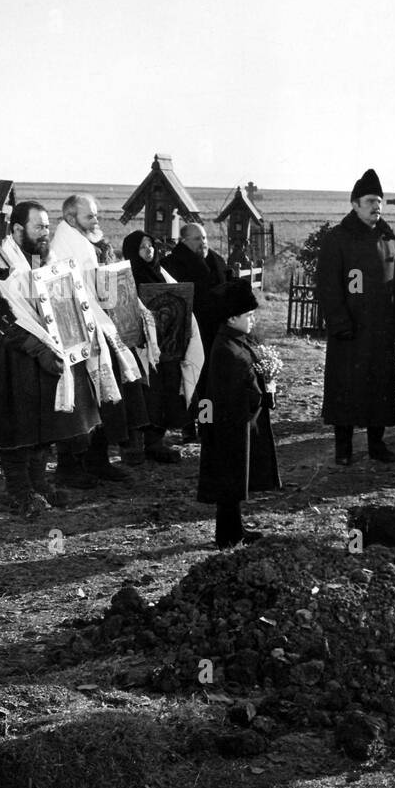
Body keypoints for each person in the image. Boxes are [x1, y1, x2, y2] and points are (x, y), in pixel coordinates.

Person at [0, 201, 101, 516]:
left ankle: (39, 486)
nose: (45, 232)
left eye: (48, 226)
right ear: (18, 229)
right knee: (18, 429)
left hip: (45, 354)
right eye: (39, 226)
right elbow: (4, 318)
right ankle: (18, 492)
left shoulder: (39, 258)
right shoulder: (5, 264)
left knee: (43, 426)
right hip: (18, 357)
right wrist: (38, 349)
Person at [48, 193, 148, 485]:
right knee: (79, 399)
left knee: (104, 395)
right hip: (75, 331)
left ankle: (98, 459)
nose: (96, 220)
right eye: (89, 216)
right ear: (70, 219)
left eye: (96, 215)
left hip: (99, 325)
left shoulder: (85, 242)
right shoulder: (60, 247)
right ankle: (70, 466)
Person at [315, 169, 395, 465]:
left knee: (379, 388)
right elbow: (328, 286)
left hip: (379, 330)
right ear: (354, 204)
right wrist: (340, 323)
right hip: (350, 330)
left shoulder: (387, 237)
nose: (376, 206)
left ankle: (377, 445)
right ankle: (344, 449)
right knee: (346, 389)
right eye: (370, 201)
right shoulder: (338, 238)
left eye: (379, 201)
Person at [197, 280, 280, 548]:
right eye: (248, 315)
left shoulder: (231, 342)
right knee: (230, 483)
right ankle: (227, 536)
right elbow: (239, 393)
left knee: (231, 483)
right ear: (232, 317)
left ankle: (234, 532)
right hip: (231, 427)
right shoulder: (229, 351)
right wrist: (265, 390)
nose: (253, 320)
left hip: (228, 425)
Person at [122, 229, 186, 462]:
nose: (148, 250)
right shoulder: (128, 278)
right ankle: (138, 445)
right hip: (141, 347)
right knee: (146, 393)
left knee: (164, 390)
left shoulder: (161, 274)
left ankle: (157, 440)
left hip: (166, 345)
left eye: (150, 245)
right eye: (142, 247)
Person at [163, 221, 229, 440]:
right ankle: (188, 427)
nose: (203, 243)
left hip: (211, 333)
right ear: (183, 241)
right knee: (186, 381)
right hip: (183, 333)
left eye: (204, 238)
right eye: (197, 239)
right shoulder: (171, 265)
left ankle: (206, 423)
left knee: (208, 382)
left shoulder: (216, 261)